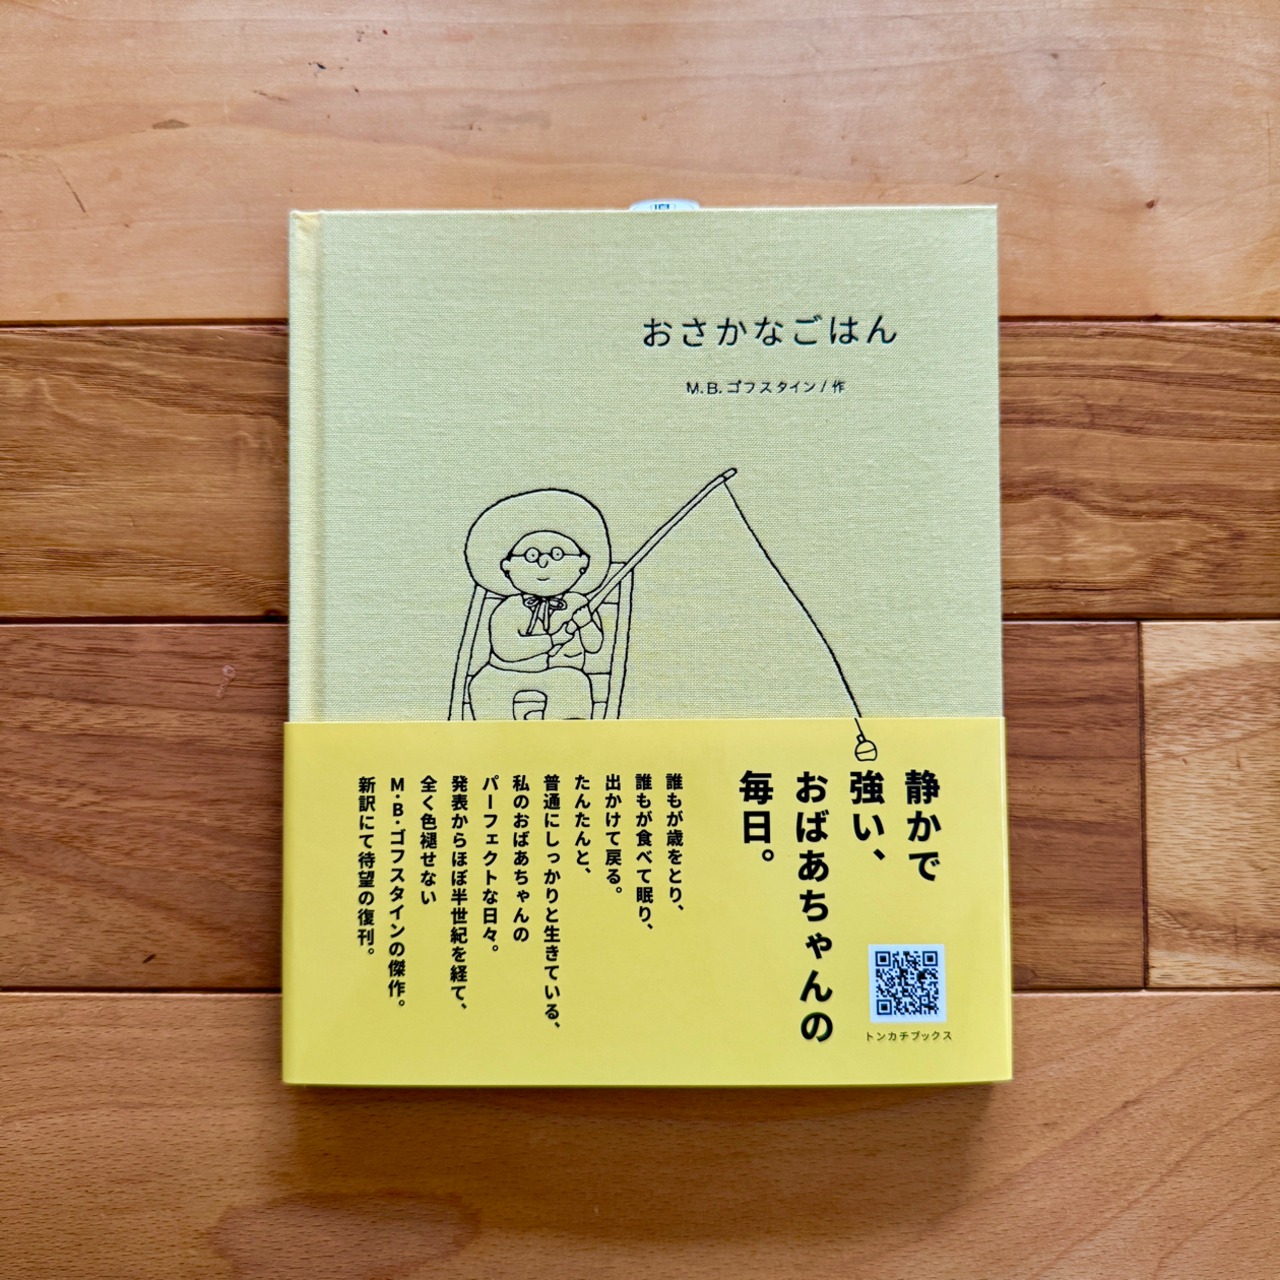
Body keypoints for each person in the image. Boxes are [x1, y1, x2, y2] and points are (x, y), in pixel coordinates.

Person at [462, 490, 611, 720]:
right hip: (504, 672)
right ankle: (494, 738)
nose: (544, 562)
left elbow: (594, 646)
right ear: (507, 566)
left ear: (582, 564)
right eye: (531, 556)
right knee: (484, 686)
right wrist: (552, 640)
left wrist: (586, 624)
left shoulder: (578, 604)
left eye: (558, 555)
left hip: (560, 672)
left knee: (575, 685)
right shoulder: (509, 608)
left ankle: (567, 738)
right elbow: (507, 649)